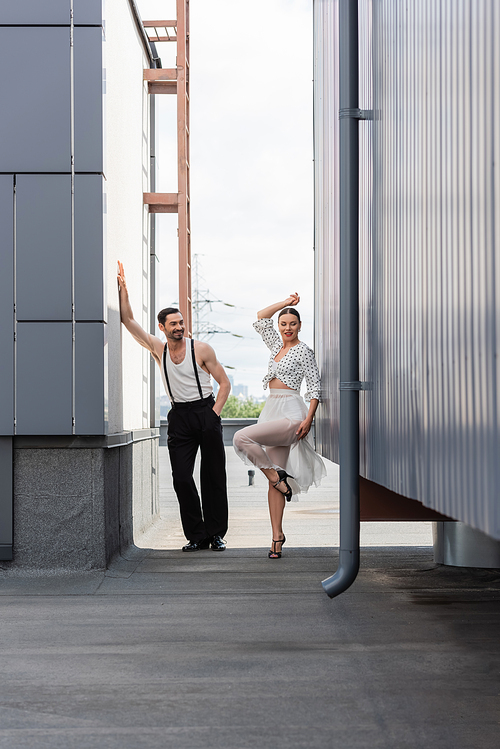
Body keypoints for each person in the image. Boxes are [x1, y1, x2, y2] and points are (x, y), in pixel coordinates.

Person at [117, 261, 230, 552]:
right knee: (181, 477)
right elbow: (129, 322)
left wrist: (213, 414)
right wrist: (124, 290)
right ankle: (196, 534)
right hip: (179, 416)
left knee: (213, 475)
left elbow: (224, 383)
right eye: (173, 324)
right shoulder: (159, 348)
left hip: (205, 411)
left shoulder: (201, 349)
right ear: (162, 327)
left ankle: (216, 533)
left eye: (181, 323)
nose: (179, 327)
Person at [233, 293, 326, 559]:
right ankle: (277, 536)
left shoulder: (303, 351)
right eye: (283, 323)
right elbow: (262, 317)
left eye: (292, 324)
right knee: (274, 477)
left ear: (299, 326)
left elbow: (315, 387)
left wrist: (309, 419)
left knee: (241, 437)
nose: (287, 328)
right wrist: (286, 301)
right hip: (271, 409)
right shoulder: (276, 347)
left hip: (291, 413)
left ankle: (277, 477)